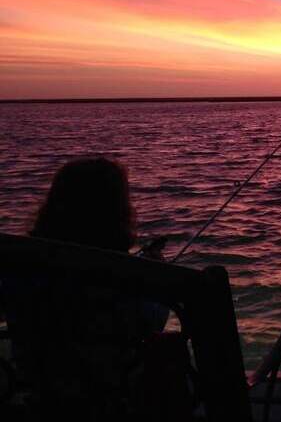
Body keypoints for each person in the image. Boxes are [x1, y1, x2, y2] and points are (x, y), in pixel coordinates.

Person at [1, 157, 168, 418]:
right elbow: (150, 322)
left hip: (41, 400)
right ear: (117, 211)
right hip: (112, 405)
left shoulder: (19, 272)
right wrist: (154, 277)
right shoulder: (119, 279)